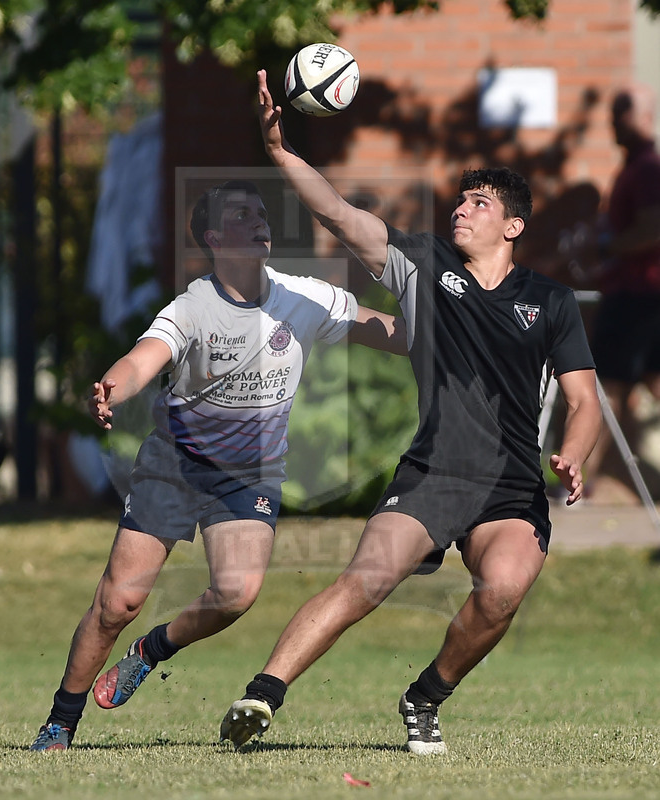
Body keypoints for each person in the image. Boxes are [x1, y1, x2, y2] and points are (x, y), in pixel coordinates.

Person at [219, 71, 602, 755]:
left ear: (512, 225)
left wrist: (574, 452)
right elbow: (340, 214)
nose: (462, 206)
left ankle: (424, 696)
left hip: (512, 484)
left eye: (479, 202)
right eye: (461, 197)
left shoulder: (551, 302)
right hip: (434, 472)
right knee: (364, 582)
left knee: (503, 592)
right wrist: (280, 152)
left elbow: (583, 399)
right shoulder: (420, 265)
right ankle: (262, 695)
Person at [29, 179, 407, 751]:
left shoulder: (303, 297)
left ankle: (151, 651)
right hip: (175, 464)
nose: (260, 222)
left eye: (261, 213)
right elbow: (142, 359)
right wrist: (113, 386)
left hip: (250, 472)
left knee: (236, 592)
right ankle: (61, 720)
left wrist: (454, 328)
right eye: (241, 215)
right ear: (212, 237)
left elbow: (390, 332)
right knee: (118, 602)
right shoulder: (192, 307)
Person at [583, 82, 660, 496]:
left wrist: (609, 246)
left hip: (637, 297)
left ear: (642, 115)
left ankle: (575, 486)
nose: (613, 122)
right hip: (641, 295)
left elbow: (654, 225)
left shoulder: (647, 167)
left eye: (620, 113)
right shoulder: (635, 166)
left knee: (604, 388)